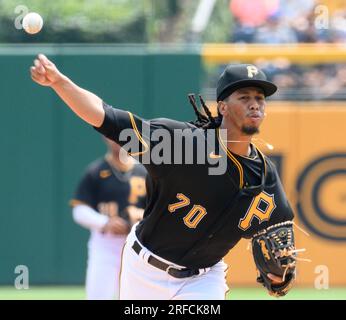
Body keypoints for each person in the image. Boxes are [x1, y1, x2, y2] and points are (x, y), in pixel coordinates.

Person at [30, 54, 296, 300]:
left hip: (204, 278)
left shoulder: (264, 175)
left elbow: (278, 230)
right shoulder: (180, 145)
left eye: (260, 98)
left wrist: (280, 272)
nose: (255, 105)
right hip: (144, 269)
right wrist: (60, 83)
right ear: (223, 107)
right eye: (245, 97)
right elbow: (106, 117)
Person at [71, 138, 146, 300]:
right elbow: (79, 210)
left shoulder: (144, 172)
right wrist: (105, 222)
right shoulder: (96, 171)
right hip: (105, 245)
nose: (118, 141)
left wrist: (141, 216)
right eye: (113, 136)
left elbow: (158, 209)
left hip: (136, 245)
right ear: (106, 138)